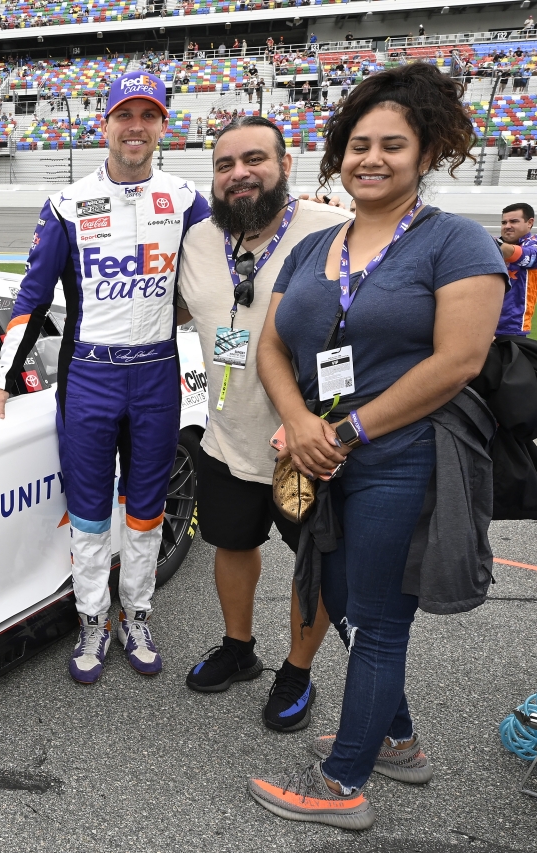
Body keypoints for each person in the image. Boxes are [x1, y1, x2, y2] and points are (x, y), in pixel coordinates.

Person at [247, 62, 507, 830]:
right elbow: (271, 346)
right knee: (346, 601)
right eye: (358, 144)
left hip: (403, 456)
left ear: (427, 153)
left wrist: (348, 430)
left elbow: (456, 363)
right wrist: (298, 420)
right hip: (323, 454)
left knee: (380, 620)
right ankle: (396, 738)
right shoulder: (314, 246)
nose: (372, 158)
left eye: (393, 144)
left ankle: (341, 784)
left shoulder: (456, 242)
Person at [0, 71, 211, 684]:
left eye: (148, 116)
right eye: (124, 116)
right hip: (90, 377)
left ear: (162, 126)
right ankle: (91, 618)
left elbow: (216, 277)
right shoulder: (67, 203)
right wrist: (2, 377)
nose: (136, 127)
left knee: (148, 507)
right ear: (104, 125)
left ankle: (137, 612)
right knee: (88, 509)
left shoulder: (186, 200)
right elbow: (31, 296)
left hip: (158, 373)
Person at [174, 116, 352, 731]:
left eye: (254, 160)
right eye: (225, 165)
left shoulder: (334, 231)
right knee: (231, 544)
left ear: (286, 167)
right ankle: (239, 647)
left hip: (307, 444)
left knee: (317, 563)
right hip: (227, 436)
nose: (239, 174)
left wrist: (327, 422)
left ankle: (297, 670)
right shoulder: (197, 240)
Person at [496, 202, 537, 336]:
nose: (507, 226)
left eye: (514, 221)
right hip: (478, 321)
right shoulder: (494, 244)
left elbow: (525, 256)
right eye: (504, 222)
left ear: (530, 222)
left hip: (512, 327)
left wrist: (487, 242)